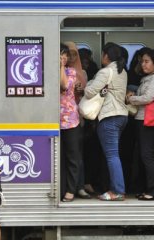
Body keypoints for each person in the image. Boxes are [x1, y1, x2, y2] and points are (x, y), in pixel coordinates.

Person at [84, 42, 128, 201]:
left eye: (102, 54)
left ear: (106, 56)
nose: (101, 57)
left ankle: (117, 191)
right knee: (114, 155)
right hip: (122, 116)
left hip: (109, 116)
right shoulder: (122, 71)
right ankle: (116, 188)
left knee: (111, 156)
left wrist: (86, 84)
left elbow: (89, 93)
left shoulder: (105, 72)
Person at [127, 48, 154, 200]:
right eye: (142, 61)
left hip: (149, 120)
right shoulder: (147, 77)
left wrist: (131, 99)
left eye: (147, 61)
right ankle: (147, 188)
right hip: (143, 119)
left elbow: (149, 97)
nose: (143, 64)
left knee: (148, 156)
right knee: (144, 155)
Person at [64, 41, 91, 199]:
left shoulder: (83, 73)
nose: (72, 56)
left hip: (78, 117)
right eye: (70, 54)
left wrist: (82, 90)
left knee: (77, 154)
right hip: (65, 116)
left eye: (75, 54)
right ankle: (72, 186)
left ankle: (79, 186)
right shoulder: (63, 71)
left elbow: (89, 94)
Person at [60, 43, 85, 202]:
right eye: (59, 54)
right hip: (52, 120)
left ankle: (71, 190)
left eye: (64, 55)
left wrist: (61, 66)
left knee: (72, 156)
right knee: (58, 157)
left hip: (70, 120)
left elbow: (63, 86)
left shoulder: (71, 72)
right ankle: (60, 189)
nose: (62, 57)